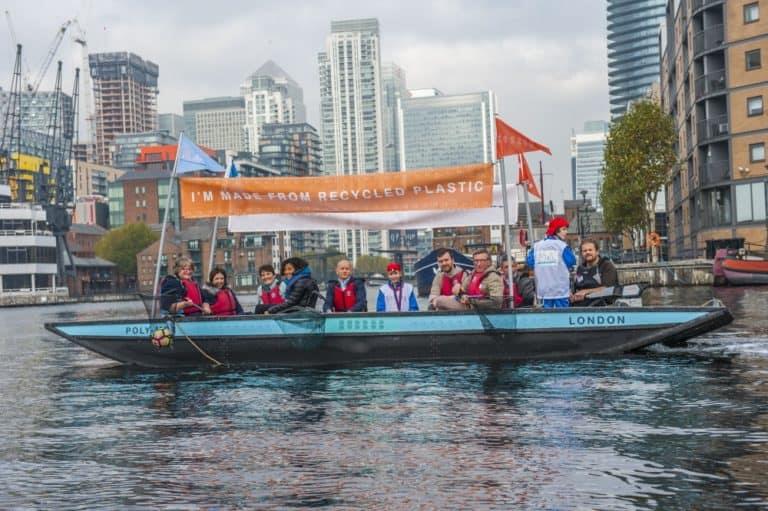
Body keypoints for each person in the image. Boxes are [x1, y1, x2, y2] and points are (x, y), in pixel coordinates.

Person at [526, 216, 577, 308]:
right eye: (564, 229)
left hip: (543, 291)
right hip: (560, 291)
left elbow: (530, 262)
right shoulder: (562, 246)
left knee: (546, 319)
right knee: (562, 318)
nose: (566, 232)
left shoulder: (537, 246)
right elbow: (572, 261)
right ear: (556, 230)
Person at [434, 249, 503, 311]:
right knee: (438, 306)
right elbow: (463, 290)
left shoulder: (493, 277)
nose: (478, 264)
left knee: (439, 301)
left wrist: (471, 301)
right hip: (469, 305)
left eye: (482, 261)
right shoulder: (472, 274)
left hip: (477, 308)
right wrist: (459, 291)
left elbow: (497, 303)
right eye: (476, 261)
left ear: (489, 262)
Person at [571, 239, 619, 305]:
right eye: (584, 251)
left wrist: (585, 292)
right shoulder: (580, 268)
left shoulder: (607, 266)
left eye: (590, 250)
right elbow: (576, 288)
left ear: (597, 252)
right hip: (581, 306)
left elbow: (608, 288)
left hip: (602, 306)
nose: (587, 252)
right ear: (581, 253)